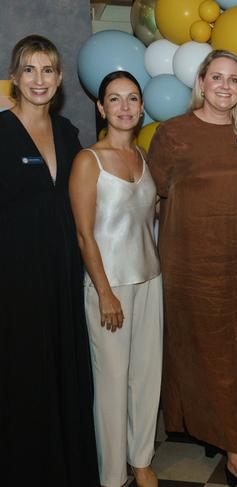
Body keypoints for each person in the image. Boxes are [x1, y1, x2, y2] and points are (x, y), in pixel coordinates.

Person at [147, 50, 237, 487]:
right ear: (200, 83)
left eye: (235, 79)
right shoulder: (173, 133)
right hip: (191, 266)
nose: (225, 85)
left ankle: (226, 434)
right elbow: (154, 194)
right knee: (207, 351)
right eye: (217, 77)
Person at [0, 34, 99, 483]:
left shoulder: (69, 133)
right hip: (15, 276)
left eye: (47, 70)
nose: (39, 79)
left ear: (59, 80)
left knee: (64, 364)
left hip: (64, 270)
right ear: (15, 79)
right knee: (23, 370)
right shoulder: (0, 134)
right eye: (29, 70)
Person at [69, 71, 162, 487]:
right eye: (115, 99)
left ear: (142, 107)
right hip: (110, 286)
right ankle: (111, 475)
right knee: (111, 381)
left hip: (150, 279)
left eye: (132, 99)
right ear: (101, 107)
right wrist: (105, 293)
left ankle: (141, 459)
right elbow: (85, 234)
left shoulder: (143, 158)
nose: (125, 107)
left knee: (146, 375)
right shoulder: (88, 160)